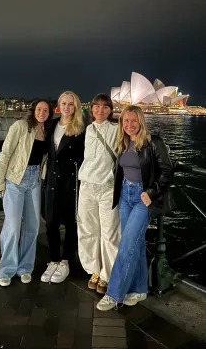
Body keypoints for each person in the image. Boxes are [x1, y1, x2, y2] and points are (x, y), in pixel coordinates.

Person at [97, 105, 173, 310]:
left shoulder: (152, 142)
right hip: (125, 195)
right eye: (125, 121)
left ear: (141, 121)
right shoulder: (124, 142)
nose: (129, 125)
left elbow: (167, 171)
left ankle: (114, 294)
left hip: (142, 197)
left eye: (133, 121)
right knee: (136, 244)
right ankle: (140, 289)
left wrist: (152, 193)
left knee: (127, 244)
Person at [0, 100, 54, 287]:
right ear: (33, 110)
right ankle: (6, 269)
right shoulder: (20, 126)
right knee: (12, 227)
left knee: (33, 226)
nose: (42, 113)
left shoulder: (47, 131)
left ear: (50, 113)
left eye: (46, 110)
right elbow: (5, 154)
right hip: (15, 179)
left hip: (34, 180)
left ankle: (25, 267)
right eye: (39, 109)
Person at [77, 93, 120, 295]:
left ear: (110, 110)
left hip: (107, 187)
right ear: (92, 109)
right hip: (86, 185)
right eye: (96, 106)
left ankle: (108, 274)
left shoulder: (116, 129)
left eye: (105, 107)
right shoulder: (88, 128)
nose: (100, 110)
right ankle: (94, 269)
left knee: (109, 233)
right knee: (87, 229)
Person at [41, 91, 85, 284]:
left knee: (70, 223)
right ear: (59, 104)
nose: (67, 107)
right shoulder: (51, 125)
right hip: (51, 181)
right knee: (50, 222)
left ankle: (66, 261)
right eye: (64, 103)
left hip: (70, 182)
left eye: (71, 104)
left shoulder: (82, 128)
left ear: (76, 106)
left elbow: (85, 157)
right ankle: (53, 260)